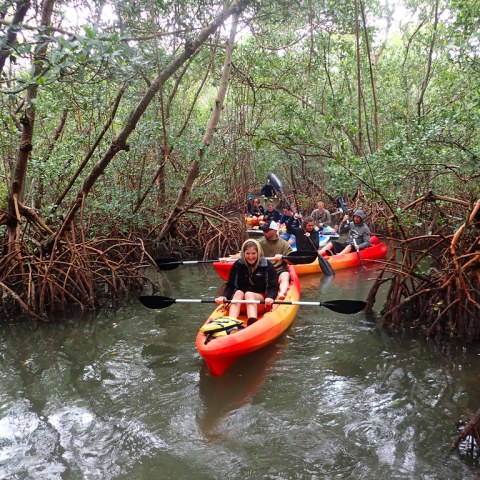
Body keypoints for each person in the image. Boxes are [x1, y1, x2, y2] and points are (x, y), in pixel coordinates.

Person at [215, 239, 278, 326]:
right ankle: (231, 322)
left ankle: (252, 321)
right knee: (238, 292)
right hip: (240, 302)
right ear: (243, 254)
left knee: (249, 294)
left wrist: (270, 297)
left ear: (258, 253)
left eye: (253, 253)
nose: (250, 257)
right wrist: (224, 296)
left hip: (260, 302)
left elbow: (273, 286)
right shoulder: (238, 265)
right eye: (247, 253)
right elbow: (230, 285)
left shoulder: (267, 266)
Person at [258, 221, 292, 299]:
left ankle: (282, 293)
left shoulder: (284, 244)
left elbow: (291, 261)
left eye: (266, 231)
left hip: (279, 271)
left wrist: (283, 257)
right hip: (265, 271)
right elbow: (245, 253)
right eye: (263, 230)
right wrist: (230, 258)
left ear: (274, 231)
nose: (264, 232)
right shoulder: (259, 243)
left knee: (285, 275)